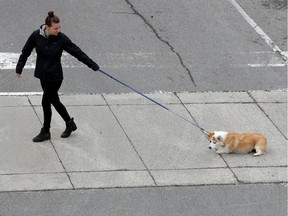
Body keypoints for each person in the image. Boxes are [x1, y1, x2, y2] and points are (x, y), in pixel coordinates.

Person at [16, 11, 99, 142]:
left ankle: (45, 131)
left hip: (55, 77)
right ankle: (70, 124)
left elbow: (77, 52)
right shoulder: (36, 35)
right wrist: (19, 67)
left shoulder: (61, 39)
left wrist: (93, 65)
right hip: (43, 75)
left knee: (45, 102)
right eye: (56, 28)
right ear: (47, 27)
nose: (58, 30)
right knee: (54, 101)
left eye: (59, 27)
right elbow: (25, 52)